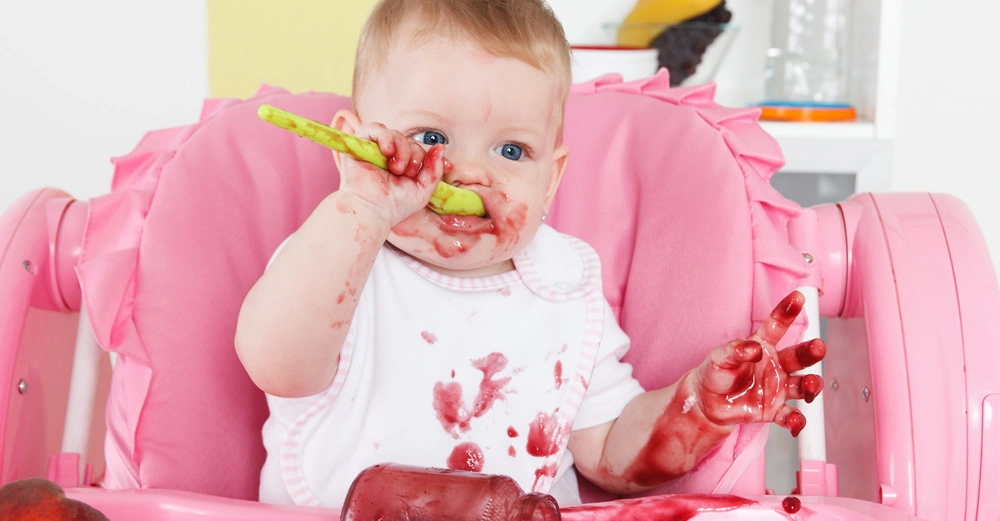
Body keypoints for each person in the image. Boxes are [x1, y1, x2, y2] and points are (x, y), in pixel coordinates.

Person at [235, 0, 826, 508]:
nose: (469, 172)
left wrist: (697, 408)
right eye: (431, 139)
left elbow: (610, 451)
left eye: (512, 150)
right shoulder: (338, 259)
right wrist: (361, 210)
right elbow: (277, 365)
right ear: (354, 150)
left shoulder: (563, 286)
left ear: (550, 180)